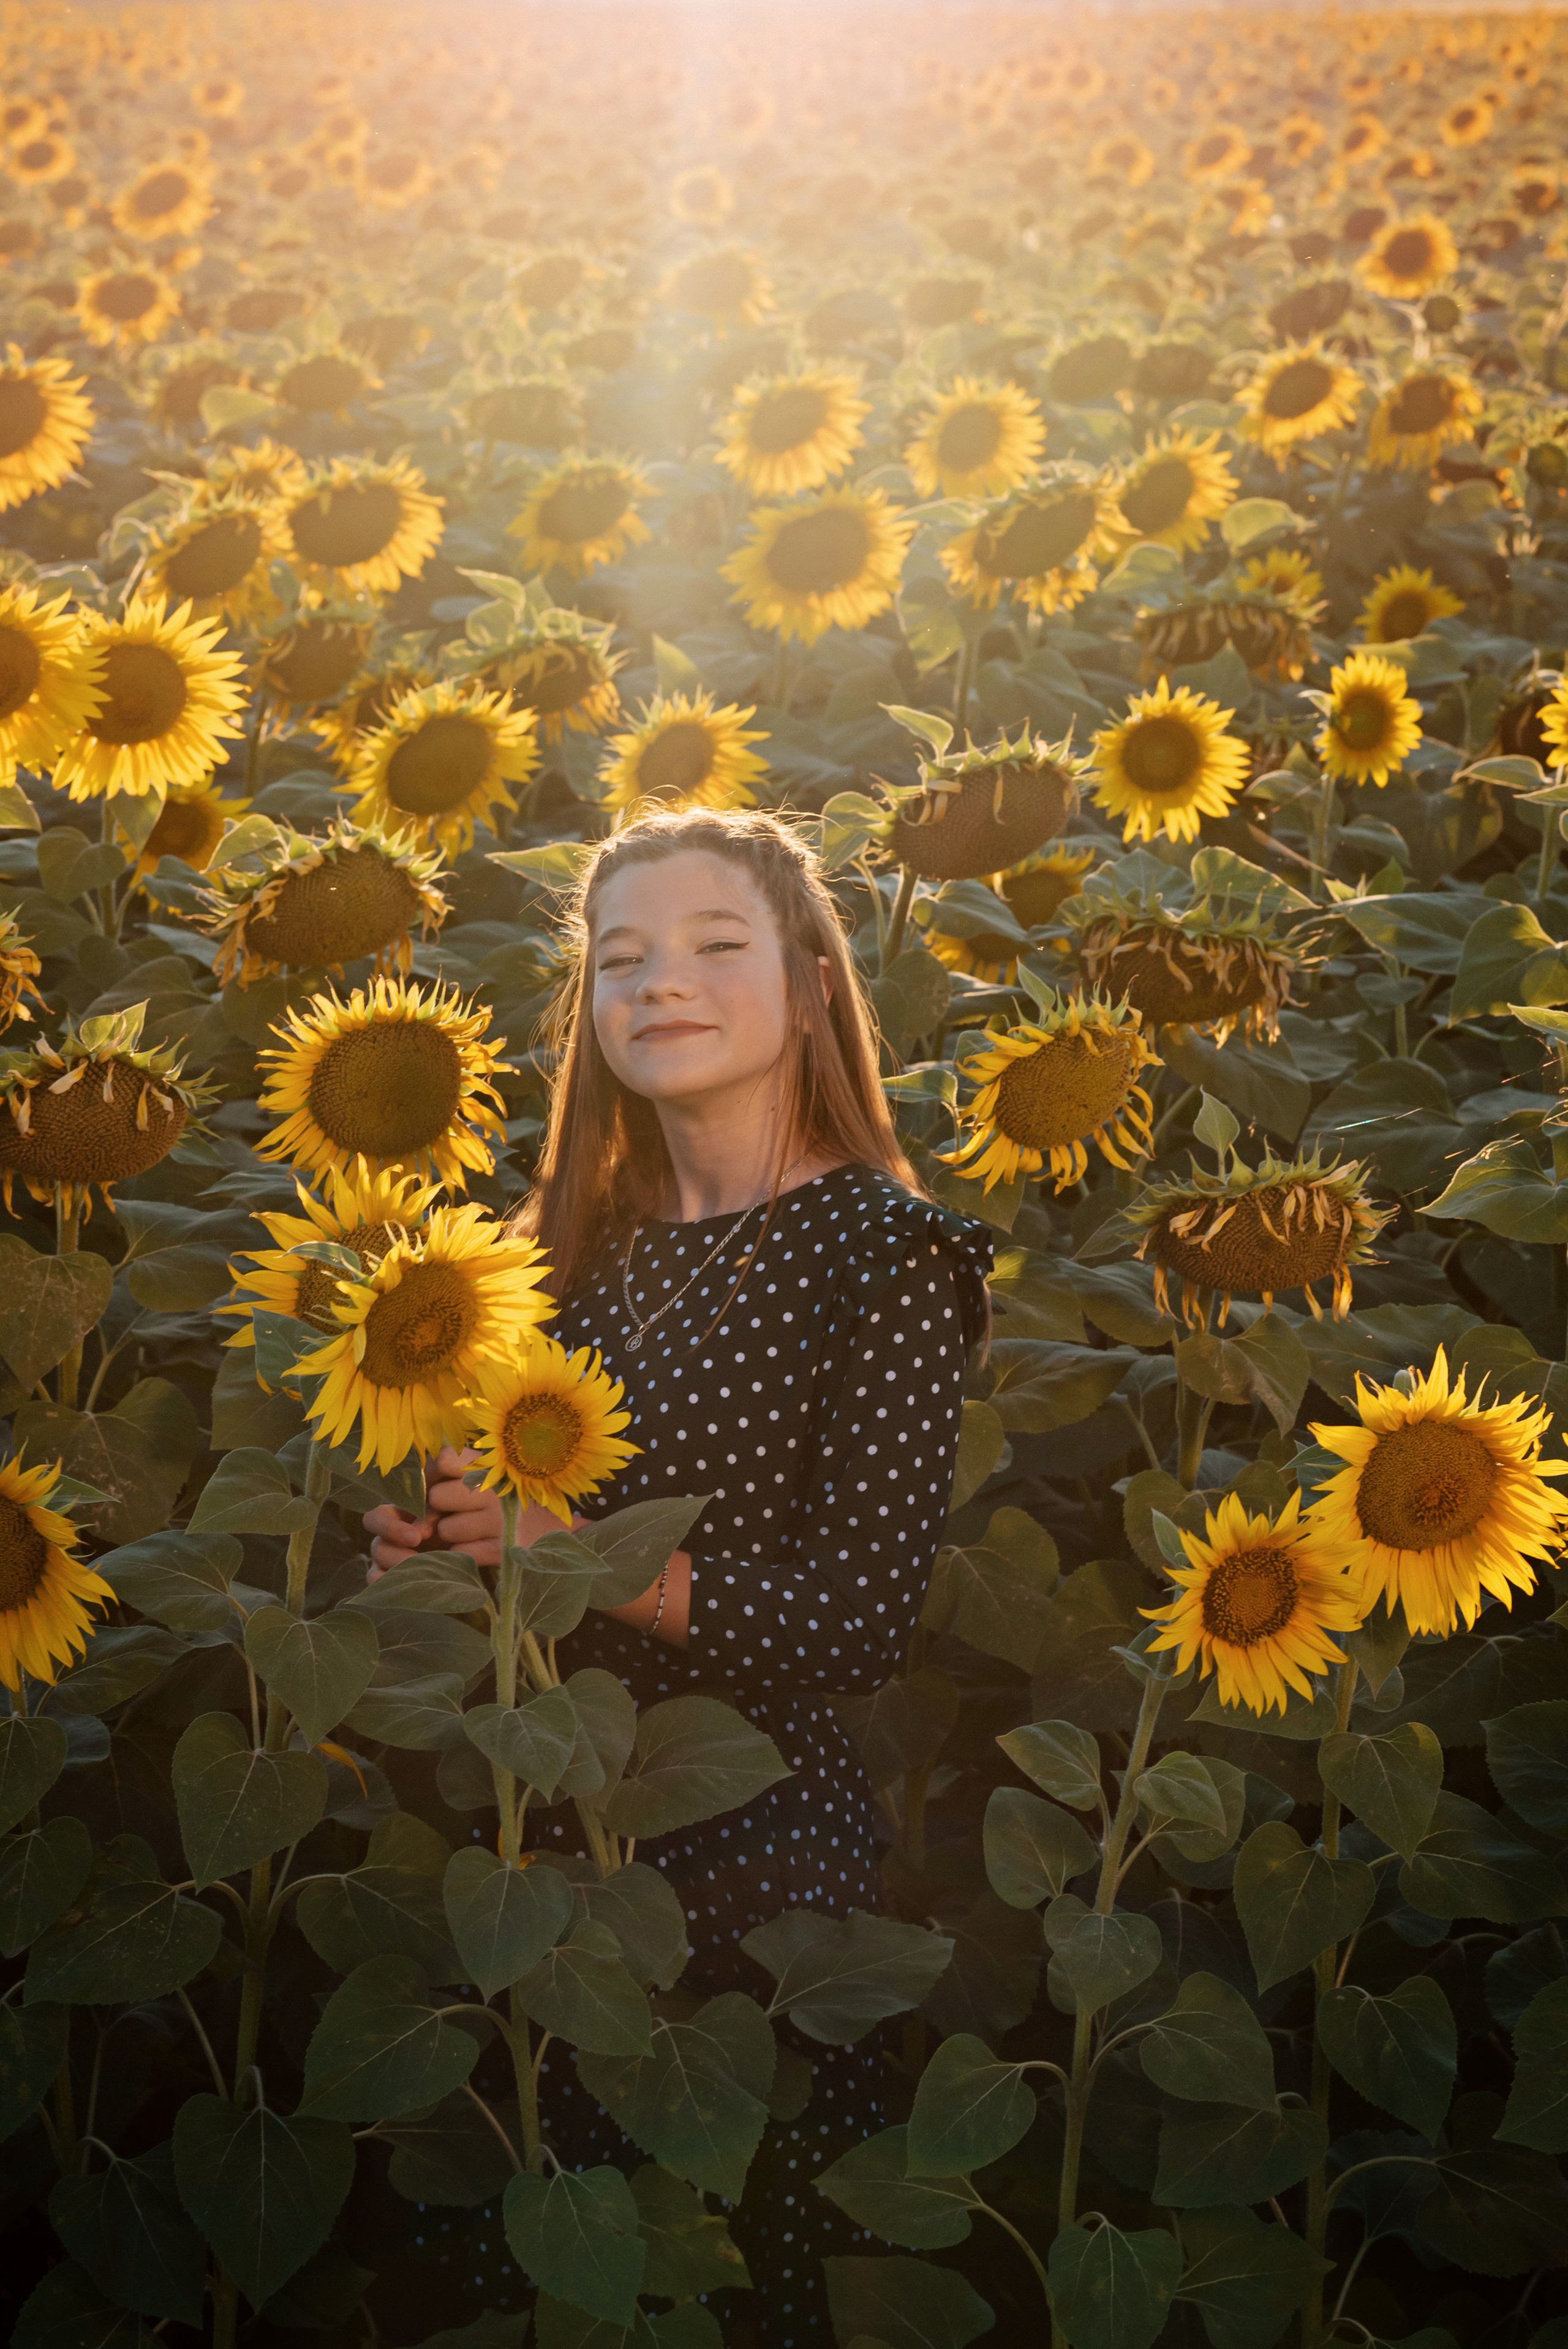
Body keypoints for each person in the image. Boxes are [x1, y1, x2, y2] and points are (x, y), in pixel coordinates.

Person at [365, 807, 992, 2347]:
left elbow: (854, 1624)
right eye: (621, 958)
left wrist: (582, 1570)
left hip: (747, 1880)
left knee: (715, 2279)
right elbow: (507, 1529)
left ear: (814, 981)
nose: (661, 984)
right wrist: (430, 1554)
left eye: (715, 946)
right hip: (528, 1848)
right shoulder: (569, 1253)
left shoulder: (888, 1258)